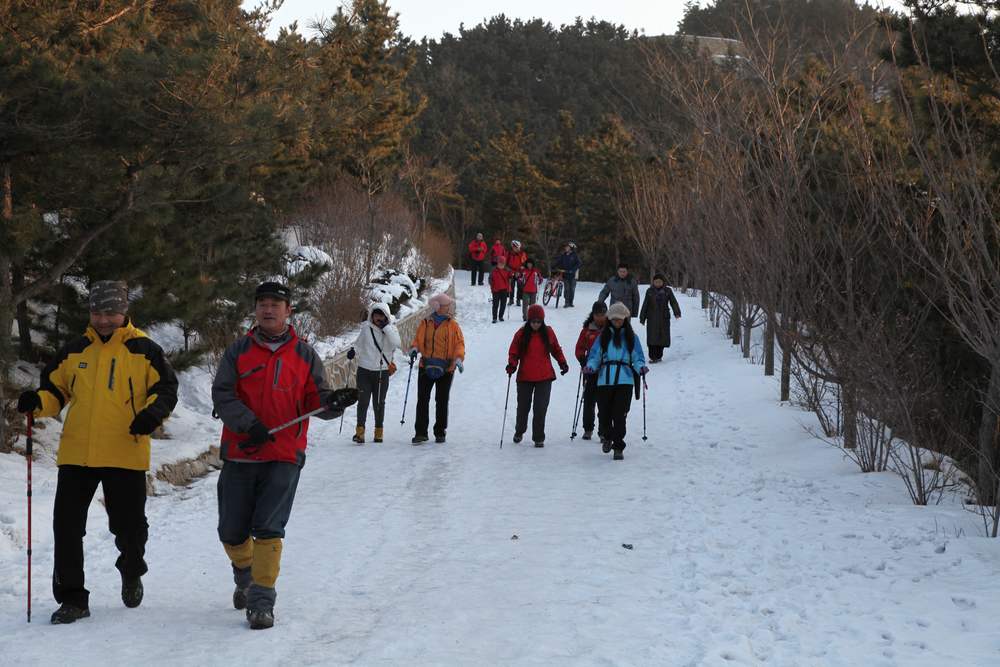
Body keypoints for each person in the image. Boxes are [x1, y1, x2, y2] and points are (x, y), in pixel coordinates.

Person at [16, 280, 178, 624]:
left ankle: (131, 568)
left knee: (129, 527)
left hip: (125, 451)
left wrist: (151, 415)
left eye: (110, 313)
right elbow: (55, 392)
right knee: (67, 526)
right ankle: (73, 598)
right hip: (78, 453)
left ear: (124, 312)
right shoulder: (75, 351)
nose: (103, 320)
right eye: (97, 312)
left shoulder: (144, 349)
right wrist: (38, 403)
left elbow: (165, 390)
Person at [212, 281, 357, 630]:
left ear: (289, 311)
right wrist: (249, 425)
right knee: (231, 531)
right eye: (262, 303)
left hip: (284, 454)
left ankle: (261, 601)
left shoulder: (305, 355)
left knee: (268, 528)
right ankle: (244, 573)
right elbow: (222, 394)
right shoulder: (238, 352)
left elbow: (315, 402)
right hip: (241, 452)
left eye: (276, 304)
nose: (268, 309)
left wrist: (331, 404)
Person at [584, 302, 648, 461]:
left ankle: (618, 446)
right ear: (610, 320)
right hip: (604, 379)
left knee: (620, 414)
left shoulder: (632, 337)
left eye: (620, 319)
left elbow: (637, 357)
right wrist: (590, 366)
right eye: (614, 319)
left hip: (625, 380)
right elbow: (594, 356)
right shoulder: (602, 337)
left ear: (625, 319)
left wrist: (641, 367)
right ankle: (607, 436)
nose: (617, 322)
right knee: (604, 413)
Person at [507, 304, 569, 447]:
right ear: (529, 321)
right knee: (523, 407)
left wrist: (563, 363)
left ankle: (538, 437)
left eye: (538, 322)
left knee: (540, 408)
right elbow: (514, 351)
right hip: (525, 376)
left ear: (542, 321)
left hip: (544, 376)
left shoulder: (548, 332)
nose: (536, 324)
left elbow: (556, 350)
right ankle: (519, 430)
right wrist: (512, 364)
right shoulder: (521, 334)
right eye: (533, 321)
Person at [409, 293, 465, 444]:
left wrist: (458, 358)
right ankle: (420, 432)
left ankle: (440, 431)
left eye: (449, 306)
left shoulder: (453, 325)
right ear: (437, 307)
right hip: (426, 366)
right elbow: (418, 340)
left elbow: (459, 343)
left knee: (442, 400)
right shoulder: (425, 323)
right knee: (423, 399)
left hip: (447, 368)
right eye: (446, 306)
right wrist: (414, 348)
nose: (449, 308)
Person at [347, 302, 401, 443]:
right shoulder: (366, 328)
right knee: (363, 401)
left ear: (386, 316)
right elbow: (359, 344)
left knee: (379, 403)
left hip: (381, 371)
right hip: (364, 370)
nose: (378, 318)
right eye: (376, 315)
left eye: (381, 315)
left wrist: (386, 328)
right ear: (372, 315)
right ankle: (360, 433)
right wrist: (353, 351)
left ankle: (378, 432)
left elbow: (396, 343)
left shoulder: (391, 330)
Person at [574, 301, 608, 440]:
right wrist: (583, 360)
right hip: (590, 369)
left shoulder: (611, 329)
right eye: (597, 315)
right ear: (593, 315)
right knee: (588, 399)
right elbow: (579, 348)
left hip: (607, 370)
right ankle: (588, 428)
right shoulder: (587, 330)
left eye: (602, 314)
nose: (600, 318)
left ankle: (603, 431)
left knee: (604, 401)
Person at [639, 273, 682, 363]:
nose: (658, 283)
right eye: (656, 282)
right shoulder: (649, 291)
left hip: (664, 318)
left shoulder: (668, 291)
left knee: (662, 338)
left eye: (659, 282)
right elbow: (645, 304)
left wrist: (677, 312)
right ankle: (652, 357)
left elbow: (673, 302)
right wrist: (642, 317)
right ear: (653, 282)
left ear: (663, 282)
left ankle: (659, 356)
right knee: (652, 337)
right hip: (652, 318)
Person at [554, 242, 582, 307]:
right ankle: (566, 302)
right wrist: (554, 266)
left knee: (572, 289)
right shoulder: (563, 255)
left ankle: (570, 302)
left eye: (567, 247)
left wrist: (573, 270)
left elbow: (579, 263)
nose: (566, 248)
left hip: (573, 275)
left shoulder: (575, 255)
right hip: (565, 274)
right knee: (566, 289)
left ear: (571, 248)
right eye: (565, 247)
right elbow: (558, 261)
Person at [489, 255, 513, 323]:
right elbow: (490, 279)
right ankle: (494, 318)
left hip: (504, 290)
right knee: (495, 304)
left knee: (503, 304)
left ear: (504, 264)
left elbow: (510, 276)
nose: (501, 264)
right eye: (500, 263)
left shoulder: (507, 270)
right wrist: (492, 285)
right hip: (495, 290)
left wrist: (511, 277)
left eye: (503, 263)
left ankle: (501, 316)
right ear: (497, 263)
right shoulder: (493, 270)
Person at [507, 239, 527, 306]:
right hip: (511, 271)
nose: (514, 248)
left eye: (515, 247)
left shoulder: (522, 254)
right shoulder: (509, 253)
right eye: (513, 246)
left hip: (519, 272)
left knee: (520, 285)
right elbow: (506, 264)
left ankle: (518, 300)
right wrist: (510, 271)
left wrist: (520, 271)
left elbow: (524, 264)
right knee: (511, 285)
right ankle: (511, 299)